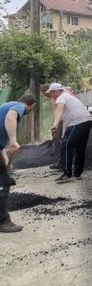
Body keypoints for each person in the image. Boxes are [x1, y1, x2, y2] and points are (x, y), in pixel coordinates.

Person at [0, 93, 36, 233]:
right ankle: (3, 222)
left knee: (4, 179)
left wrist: (6, 161)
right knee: (3, 185)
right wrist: (14, 139)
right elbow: (11, 116)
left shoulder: (5, 106)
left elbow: (1, 146)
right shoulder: (18, 107)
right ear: (31, 105)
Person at [46, 83, 92, 183]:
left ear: (57, 91)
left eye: (51, 92)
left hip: (78, 122)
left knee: (66, 146)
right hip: (87, 121)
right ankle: (78, 172)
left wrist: (55, 125)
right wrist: (64, 134)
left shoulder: (61, 97)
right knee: (80, 148)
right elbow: (66, 121)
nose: (50, 94)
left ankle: (67, 173)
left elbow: (59, 110)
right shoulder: (68, 97)